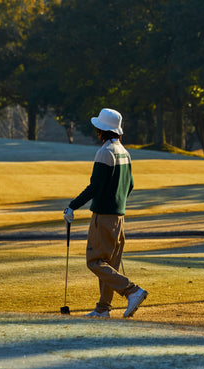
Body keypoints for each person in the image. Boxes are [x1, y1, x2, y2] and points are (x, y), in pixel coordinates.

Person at [64, 108, 148, 318]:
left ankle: (132, 290)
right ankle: (103, 308)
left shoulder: (105, 152)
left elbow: (95, 186)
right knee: (110, 264)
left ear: (102, 129)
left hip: (104, 216)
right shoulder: (124, 152)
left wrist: (72, 205)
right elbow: (130, 185)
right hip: (119, 217)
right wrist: (118, 203)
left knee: (94, 261)